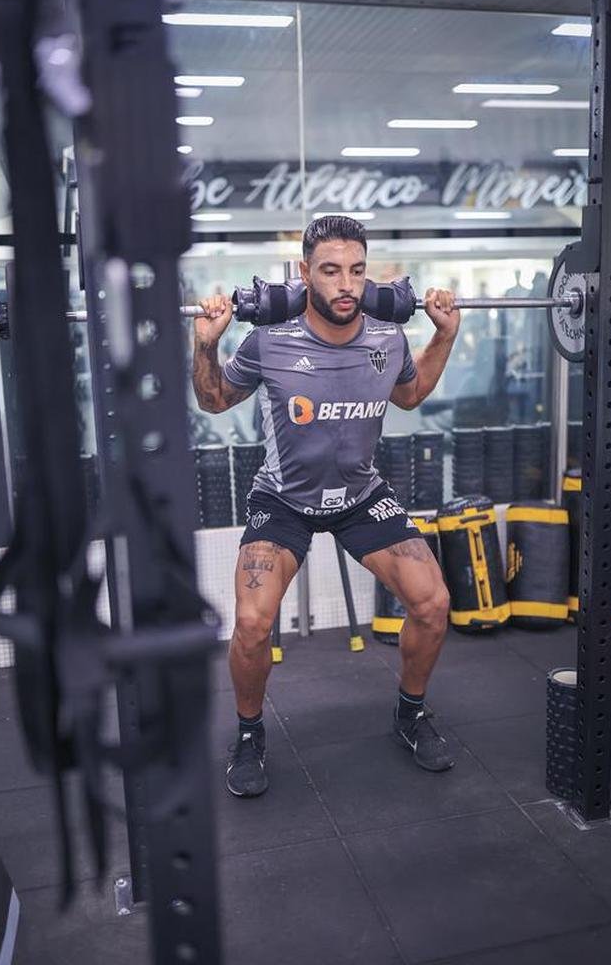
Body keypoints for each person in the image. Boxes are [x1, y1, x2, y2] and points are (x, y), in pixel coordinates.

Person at [193, 215, 460, 798]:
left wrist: (444, 335)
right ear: (304, 272)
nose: (346, 285)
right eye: (331, 271)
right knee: (252, 623)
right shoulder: (269, 340)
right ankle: (249, 734)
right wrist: (206, 345)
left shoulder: (388, 338)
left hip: (361, 496)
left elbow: (411, 395)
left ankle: (410, 714)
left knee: (433, 602)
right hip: (283, 498)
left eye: (357, 271)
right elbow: (213, 401)